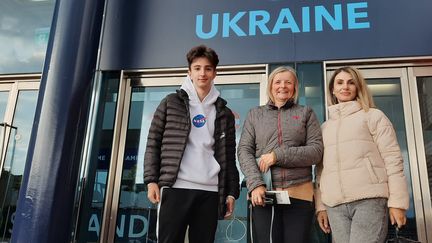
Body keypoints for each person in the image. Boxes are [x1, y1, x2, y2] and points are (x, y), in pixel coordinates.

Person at [143, 45, 240, 243]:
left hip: (210, 191)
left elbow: (229, 155)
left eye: (207, 68)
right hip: (176, 187)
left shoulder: (224, 112)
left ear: (214, 73)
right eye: (197, 68)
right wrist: (151, 180)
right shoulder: (170, 102)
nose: (202, 73)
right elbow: (153, 142)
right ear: (189, 72)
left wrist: (231, 192)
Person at [315, 66, 409, 243]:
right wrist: (320, 207)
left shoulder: (374, 116)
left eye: (351, 82)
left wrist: (397, 202)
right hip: (334, 205)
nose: (345, 87)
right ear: (332, 90)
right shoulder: (324, 128)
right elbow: (320, 171)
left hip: (369, 199)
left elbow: (393, 159)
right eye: (340, 83)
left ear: (358, 87)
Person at [238, 66, 324, 243]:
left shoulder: (305, 113)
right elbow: (244, 150)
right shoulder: (255, 114)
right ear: (270, 86)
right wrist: (255, 184)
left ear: (295, 87)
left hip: (299, 195)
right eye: (278, 82)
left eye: (288, 82)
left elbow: (316, 151)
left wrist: (277, 155)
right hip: (264, 195)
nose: (282, 86)